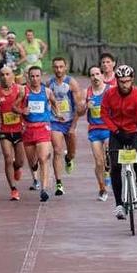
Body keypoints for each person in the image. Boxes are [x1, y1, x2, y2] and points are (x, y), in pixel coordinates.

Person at [101, 65, 137, 220]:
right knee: (115, 167)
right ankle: (119, 204)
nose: (124, 85)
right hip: (116, 132)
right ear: (117, 81)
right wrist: (115, 130)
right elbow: (104, 113)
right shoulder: (110, 94)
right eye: (121, 82)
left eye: (127, 81)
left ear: (132, 80)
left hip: (133, 130)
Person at [13, 66, 58, 202]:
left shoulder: (47, 91)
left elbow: (55, 104)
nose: (35, 79)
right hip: (28, 130)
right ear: (28, 77)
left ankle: (44, 190)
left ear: (41, 76)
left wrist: (58, 114)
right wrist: (22, 111)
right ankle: (34, 168)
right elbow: (13, 107)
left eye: (37, 76)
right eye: (32, 76)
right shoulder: (23, 91)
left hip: (43, 128)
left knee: (44, 158)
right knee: (33, 162)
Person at [47, 57, 85, 195]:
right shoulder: (49, 83)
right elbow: (46, 102)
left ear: (65, 67)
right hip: (55, 121)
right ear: (53, 68)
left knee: (71, 153)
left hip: (69, 121)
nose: (58, 69)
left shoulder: (72, 83)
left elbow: (79, 107)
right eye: (56, 67)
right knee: (57, 150)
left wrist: (73, 126)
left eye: (61, 67)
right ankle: (59, 184)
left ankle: (68, 159)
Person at [0, 64, 29, 201]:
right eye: (2, 75)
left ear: (13, 75)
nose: (5, 77)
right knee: (8, 158)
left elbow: (29, 102)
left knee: (20, 161)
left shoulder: (20, 89)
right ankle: (13, 189)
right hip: (5, 131)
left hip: (19, 130)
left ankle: (17, 168)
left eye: (7, 74)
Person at [85, 66, 111, 202]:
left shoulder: (110, 90)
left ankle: (109, 171)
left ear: (102, 75)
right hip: (94, 129)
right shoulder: (87, 92)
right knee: (98, 161)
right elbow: (79, 111)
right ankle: (102, 189)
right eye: (92, 75)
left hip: (108, 128)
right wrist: (85, 106)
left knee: (108, 155)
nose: (95, 77)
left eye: (97, 74)